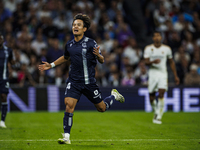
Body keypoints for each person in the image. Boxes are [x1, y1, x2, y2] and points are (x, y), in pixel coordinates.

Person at [38, 14, 125, 144]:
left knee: (101, 108)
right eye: (74, 25)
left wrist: (99, 56)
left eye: (78, 25)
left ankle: (113, 96)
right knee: (69, 105)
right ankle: (66, 137)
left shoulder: (91, 43)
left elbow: (101, 60)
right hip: (74, 81)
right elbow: (66, 57)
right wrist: (51, 65)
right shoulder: (70, 44)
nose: (75, 27)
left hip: (89, 82)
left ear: (84, 29)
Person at [143, 31, 179, 124]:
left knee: (161, 93)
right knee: (151, 97)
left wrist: (175, 75)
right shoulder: (148, 48)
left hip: (163, 73)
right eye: (155, 36)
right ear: (153, 38)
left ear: (161, 38)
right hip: (152, 73)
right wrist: (153, 62)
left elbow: (171, 62)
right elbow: (146, 62)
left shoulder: (167, 49)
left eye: (158, 36)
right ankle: (156, 111)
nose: (157, 37)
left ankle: (158, 116)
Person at [0, 33, 14, 128]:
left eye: (0, 39)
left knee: (3, 96)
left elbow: (11, 61)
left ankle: (2, 121)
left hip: (4, 78)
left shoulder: (8, 50)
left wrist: (11, 67)